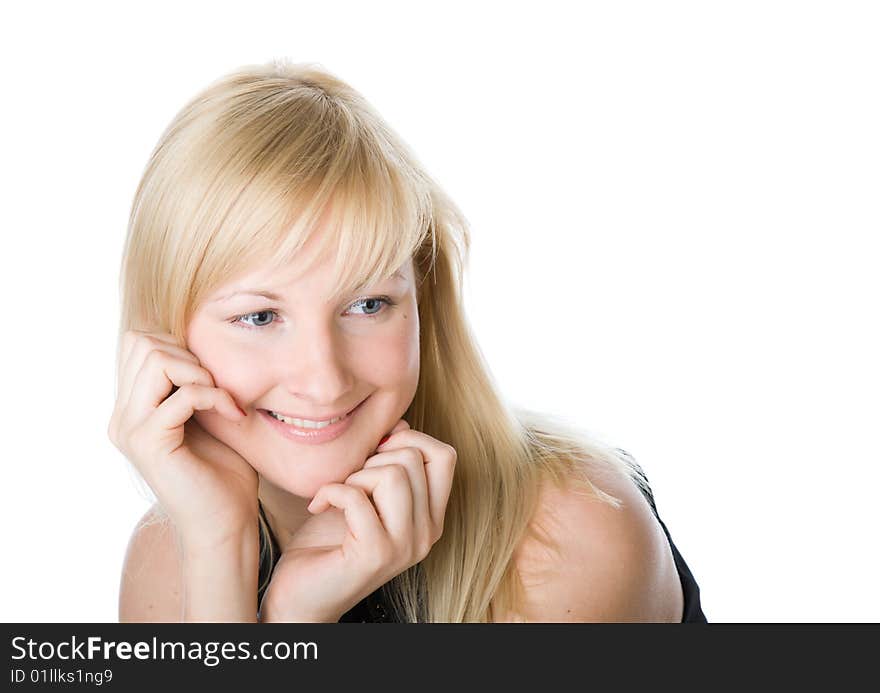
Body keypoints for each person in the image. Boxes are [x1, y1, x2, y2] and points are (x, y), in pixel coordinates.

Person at [109, 59, 707, 623]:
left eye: (367, 305)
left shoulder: (564, 531)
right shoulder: (171, 561)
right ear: (167, 335)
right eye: (260, 317)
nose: (324, 380)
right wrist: (228, 556)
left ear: (421, 299)